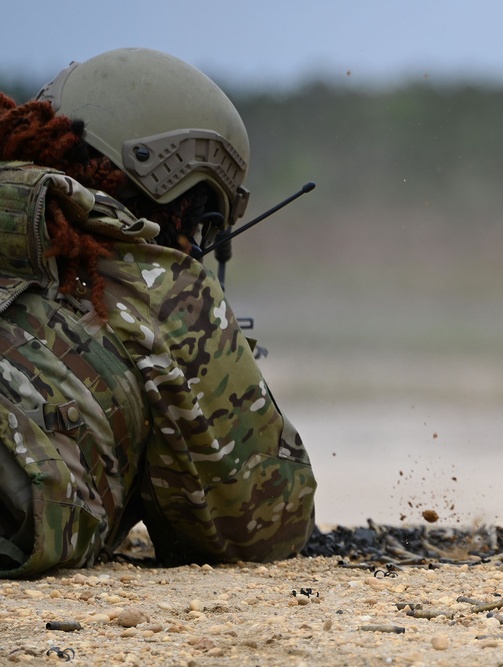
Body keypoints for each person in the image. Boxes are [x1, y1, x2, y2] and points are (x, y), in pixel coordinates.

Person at [0, 48, 316, 578]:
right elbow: (264, 524)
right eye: (200, 223)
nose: (193, 243)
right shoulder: (157, 286)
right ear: (178, 190)